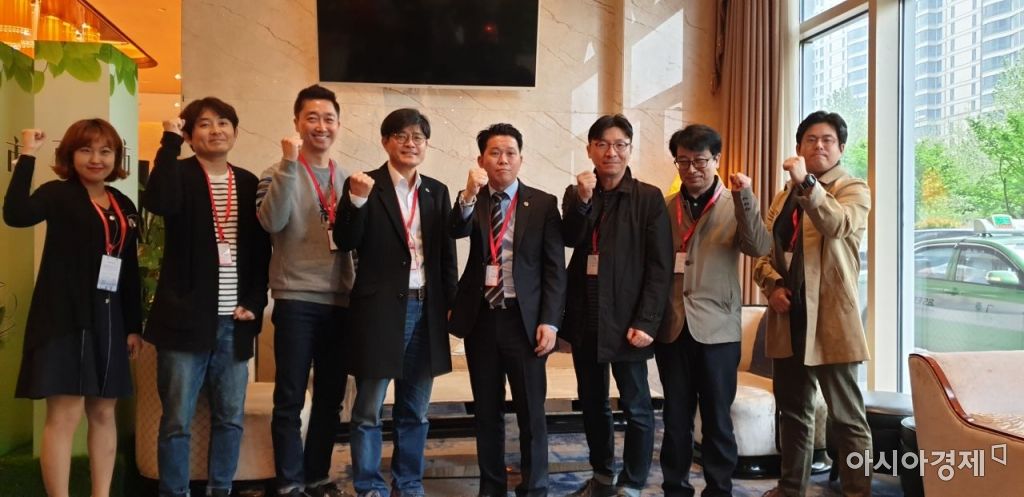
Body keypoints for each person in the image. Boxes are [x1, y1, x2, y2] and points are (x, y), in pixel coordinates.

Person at [3, 121, 142, 497]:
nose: (96, 159)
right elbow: (15, 214)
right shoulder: (57, 194)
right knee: (64, 415)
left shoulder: (123, 204)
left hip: (110, 320)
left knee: (104, 413)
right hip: (63, 318)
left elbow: (128, 269)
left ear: (116, 158)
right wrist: (27, 155)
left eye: (105, 151)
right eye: (86, 150)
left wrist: (133, 326)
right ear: (70, 155)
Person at [143, 97, 271, 497]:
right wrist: (168, 143)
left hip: (235, 322)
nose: (215, 130)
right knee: (176, 421)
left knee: (230, 418)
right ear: (189, 134)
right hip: (184, 321)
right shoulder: (179, 174)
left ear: (235, 131)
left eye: (223, 122)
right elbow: (158, 202)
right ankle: (174, 492)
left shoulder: (247, 182)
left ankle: (221, 489)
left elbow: (260, 252)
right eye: (203, 124)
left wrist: (254, 301)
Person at [333, 108, 458, 497]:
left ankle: (408, 483)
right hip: (380, 311)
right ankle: (369, 485)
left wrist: (450, 303)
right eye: (401, 136)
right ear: (385, 141)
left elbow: (446, 255)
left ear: (426, 145)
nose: (410, 143)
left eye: (418, 137)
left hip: (426, 309)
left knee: (416, 410)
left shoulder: (436, 190)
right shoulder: (365, 184)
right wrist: (355, 201)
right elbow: (346, 240)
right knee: (369, 408)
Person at [754, 111, 872, 497]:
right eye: (810, 139)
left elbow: (836, 225)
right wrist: (772, 286)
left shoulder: (853, 188)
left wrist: (806, 183)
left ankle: (858, 492)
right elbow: (763, 253)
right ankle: (791, 489)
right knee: (793, 412)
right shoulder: (783, 196)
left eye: (827, 140)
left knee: (847, 418)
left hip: (831, 318)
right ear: (799, 146)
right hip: (789, 316)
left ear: (841, 148)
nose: (818, 146)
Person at [449, 123, 567, 497]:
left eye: (510, 153)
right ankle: (492, 487)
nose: (503, 159)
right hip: (482, 319)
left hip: (524, 322)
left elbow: (555, 269)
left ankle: (535, 487)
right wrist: (468, 193)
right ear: (481, 159)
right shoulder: (473, 199)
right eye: (495, 152)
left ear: (521, 158)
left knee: (532, 411)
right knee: (487, 412)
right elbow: (455, 230)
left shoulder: (543, 203)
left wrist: (550, 321)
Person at [655, 124, 772, 497]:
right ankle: (675, 488)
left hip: (718, 329)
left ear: (716, 160)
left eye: (700, 161)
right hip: (673, 327)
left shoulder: (735, 203)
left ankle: (719, 489)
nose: (691, 169)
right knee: (675, 418)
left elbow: (758, 246)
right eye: (683, 161)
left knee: (718, 418)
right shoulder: (666, 207)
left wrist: (746, 197)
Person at [561, 114, 673, 497]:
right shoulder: (577, 192)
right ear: (590, 149)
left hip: (628, 321)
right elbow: (570, 238)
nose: (611, 152)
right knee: (593, 403)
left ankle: (633, 483)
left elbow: (660, 267)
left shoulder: (648, 198)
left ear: (629, 149)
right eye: (603, 144)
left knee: (637, 405)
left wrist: (647, 321)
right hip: (586, 318)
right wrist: (583, 201)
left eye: (620, 144)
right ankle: (603, 475)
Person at [256, 84, 355, 497]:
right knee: (290, 397)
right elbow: (271, 222)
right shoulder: (276, 172)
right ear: (296, 122)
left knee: (331, 398)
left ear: (338, 125)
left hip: (340, 301)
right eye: (311, 117)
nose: (321, 126)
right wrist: (288, 163)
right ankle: (289, 481)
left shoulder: (347, 179)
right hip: (295, 298)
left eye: (328, 118)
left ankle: (316, 475)